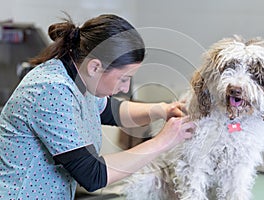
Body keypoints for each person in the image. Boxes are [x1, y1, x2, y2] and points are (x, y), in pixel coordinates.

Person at [0, 14, 195, 199]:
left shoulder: (79, 77)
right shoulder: (51, 89)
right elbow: (93, 175)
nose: (125, 87)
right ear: (95, 67)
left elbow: (111, 111)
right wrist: (164, 141)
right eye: (123, 78)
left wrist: (162, 110)